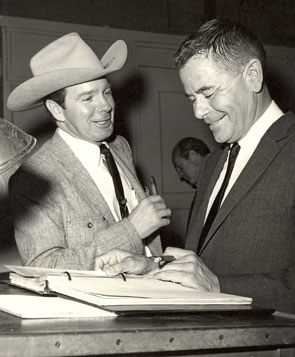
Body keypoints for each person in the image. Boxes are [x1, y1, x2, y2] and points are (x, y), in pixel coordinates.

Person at [95, 19, 295, 313]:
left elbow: (214, 280)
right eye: (192, 98)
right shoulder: (215, 162)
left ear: (253, 76)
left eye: (209, 93)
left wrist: (219, 287)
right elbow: (204, 264)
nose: (199, 111)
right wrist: (155, 268)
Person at [7, 32, 171, 270]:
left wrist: (157, 264)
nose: (105, 106)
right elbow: (44, 267)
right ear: (56, 110)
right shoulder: (34, 179)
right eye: (87, 98)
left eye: (106, 92)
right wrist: (132, 230)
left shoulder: (120, 147)